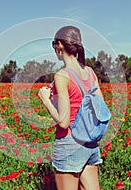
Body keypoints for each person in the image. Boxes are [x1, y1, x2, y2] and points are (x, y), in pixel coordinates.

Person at [38, 26, 104, 190]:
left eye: (54, 44)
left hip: (69, 143)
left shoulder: (62, 76)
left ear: (59, 45)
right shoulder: (90, 72)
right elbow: (100, 109)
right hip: (90, 143)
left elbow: (64, 122)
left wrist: (46, 100)